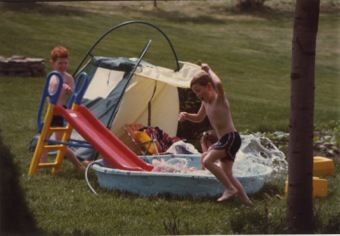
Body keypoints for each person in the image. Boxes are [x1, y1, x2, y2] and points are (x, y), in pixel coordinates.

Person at [178, 63, 251, 204]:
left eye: (199, 90)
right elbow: (199, 118)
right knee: (228, 174)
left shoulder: (220, 99)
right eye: (195, 93)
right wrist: (186, 115)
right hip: (225, 140)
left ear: (209, 86)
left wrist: (208, 69)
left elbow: (218, 82)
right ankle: (247, 202)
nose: (198, 95)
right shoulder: (205, 103)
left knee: (207, 161)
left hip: (230, 138)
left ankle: (229, 189)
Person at [40, 46, 85, 171]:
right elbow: (49, 92)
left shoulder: (68, 78)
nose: (63, 66)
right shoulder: (52, 76)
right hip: (51, 111)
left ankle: (79, 166)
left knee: (61, 144)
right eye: (60, 63)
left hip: (60, 112)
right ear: (52, 63)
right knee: (43, 140)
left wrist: (68, 90)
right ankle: (43, 167)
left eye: (65, 63)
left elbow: (73, 94)